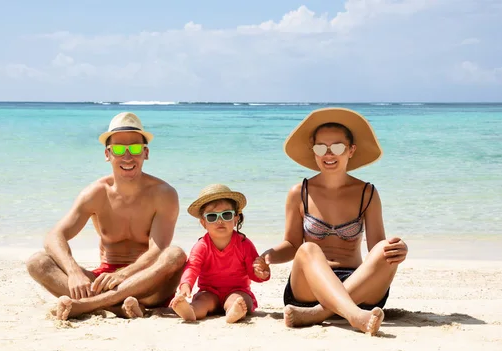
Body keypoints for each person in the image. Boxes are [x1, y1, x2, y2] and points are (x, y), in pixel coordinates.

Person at [255, 108, 408, 335]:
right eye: (321, 147)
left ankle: (319, 313)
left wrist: (398, 250)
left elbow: (376, 249)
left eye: (337, 147)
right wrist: (268, 256)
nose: (329, 154)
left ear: (351, 150)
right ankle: (355, 316)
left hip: (358, 284)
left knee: (386, 248)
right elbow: (292, 245)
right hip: (309, 287)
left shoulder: (368, 193)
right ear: (313, 151)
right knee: (308, 249)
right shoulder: (299, 192)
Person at [25, 112, 187, 320]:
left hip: (149, 287)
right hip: (103, 281)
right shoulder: (96, 193)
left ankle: (87, 305)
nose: (127, 156)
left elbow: (158, 251)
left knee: (175, 255)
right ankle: (117, 308)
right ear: (107, 154)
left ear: (145, 153)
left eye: (135, 148)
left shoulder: (164, 194)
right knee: (37, 262)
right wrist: (73, 271)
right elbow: (54, 236)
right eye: (119, 149)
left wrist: (124, 274)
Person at [170, 184, 270, 323]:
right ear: (203, 223)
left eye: (226, 214)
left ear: (236, 219)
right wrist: (186, 285)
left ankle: (233, 312)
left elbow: (253, 271)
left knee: (239, 300)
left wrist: (261, 273)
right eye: (212, 216)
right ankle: (190, 311)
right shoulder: (201, 246)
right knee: (202, 301)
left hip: (238, 289)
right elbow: (192, 267)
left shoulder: (244, 244)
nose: (220, 220)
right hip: (209, 292)